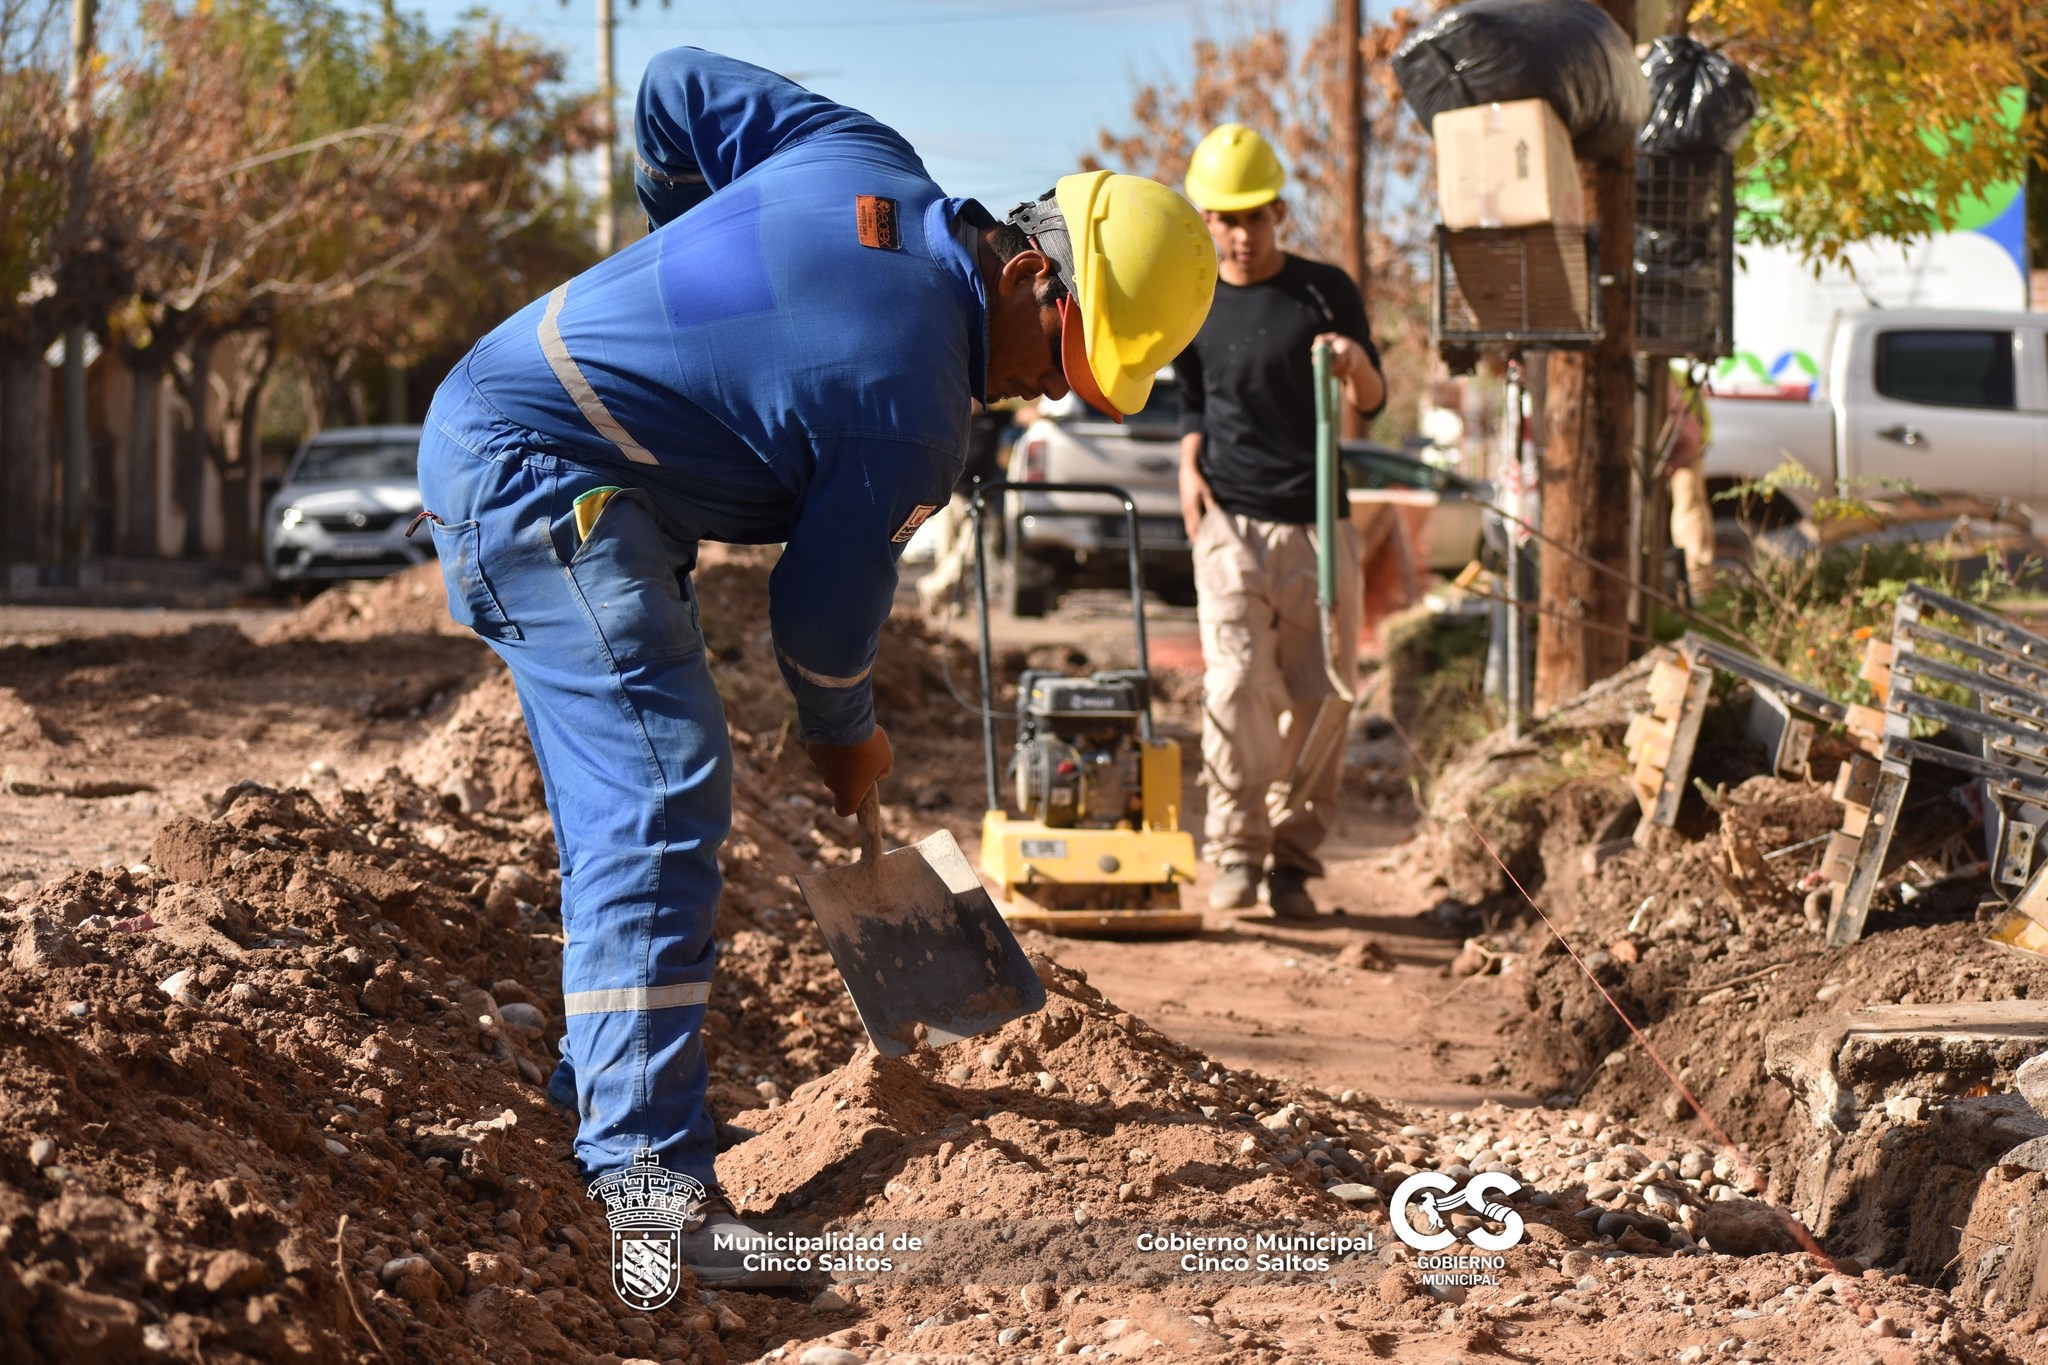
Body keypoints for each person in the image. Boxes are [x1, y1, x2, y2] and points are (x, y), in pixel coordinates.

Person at [413, 47, 1216, 1284]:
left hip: (543, 448)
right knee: (664, 793)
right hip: (543, 474)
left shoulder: (864, 158)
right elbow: (818, 614)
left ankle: (612, 1109)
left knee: (630, 799)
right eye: (1053, 356)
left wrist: (696, 262)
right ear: (1022, 267)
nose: (1033, 392)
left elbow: (675, 87)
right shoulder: (913, 401)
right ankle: (647, 1193)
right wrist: (847, 733)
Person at [1174, 123, 1386, 921]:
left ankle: (1293, 859)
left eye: (1253, 216)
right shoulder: (1195, 296)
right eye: (1224, 218)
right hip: (1229, 521)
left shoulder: (1324, 289)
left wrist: (1352, 360)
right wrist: (1187, 460)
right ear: (1207, 220)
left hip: (1318, 528)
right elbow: (1196, 395)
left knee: (1323, 695)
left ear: (1277, 213)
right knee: (1234, 687)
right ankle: (1236, 849)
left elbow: (1373, 396)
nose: (1239, 234)